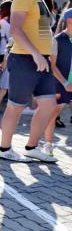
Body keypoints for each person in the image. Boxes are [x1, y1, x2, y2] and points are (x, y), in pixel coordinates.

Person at [0, 0, 64, 163]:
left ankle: (31, 147)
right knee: (16, 106)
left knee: (49, 105)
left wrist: (45, 54)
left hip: (41, 60)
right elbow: (15, 30)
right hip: (25, 59)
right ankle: (5, 149)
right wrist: (36, 54)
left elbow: (42, 31)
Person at [42, 9, 72, 156]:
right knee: (53, 114)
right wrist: (65, 83)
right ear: (70, 21)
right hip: (60, 84)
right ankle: (47, 146)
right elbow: (52, 66)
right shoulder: (57, 40)